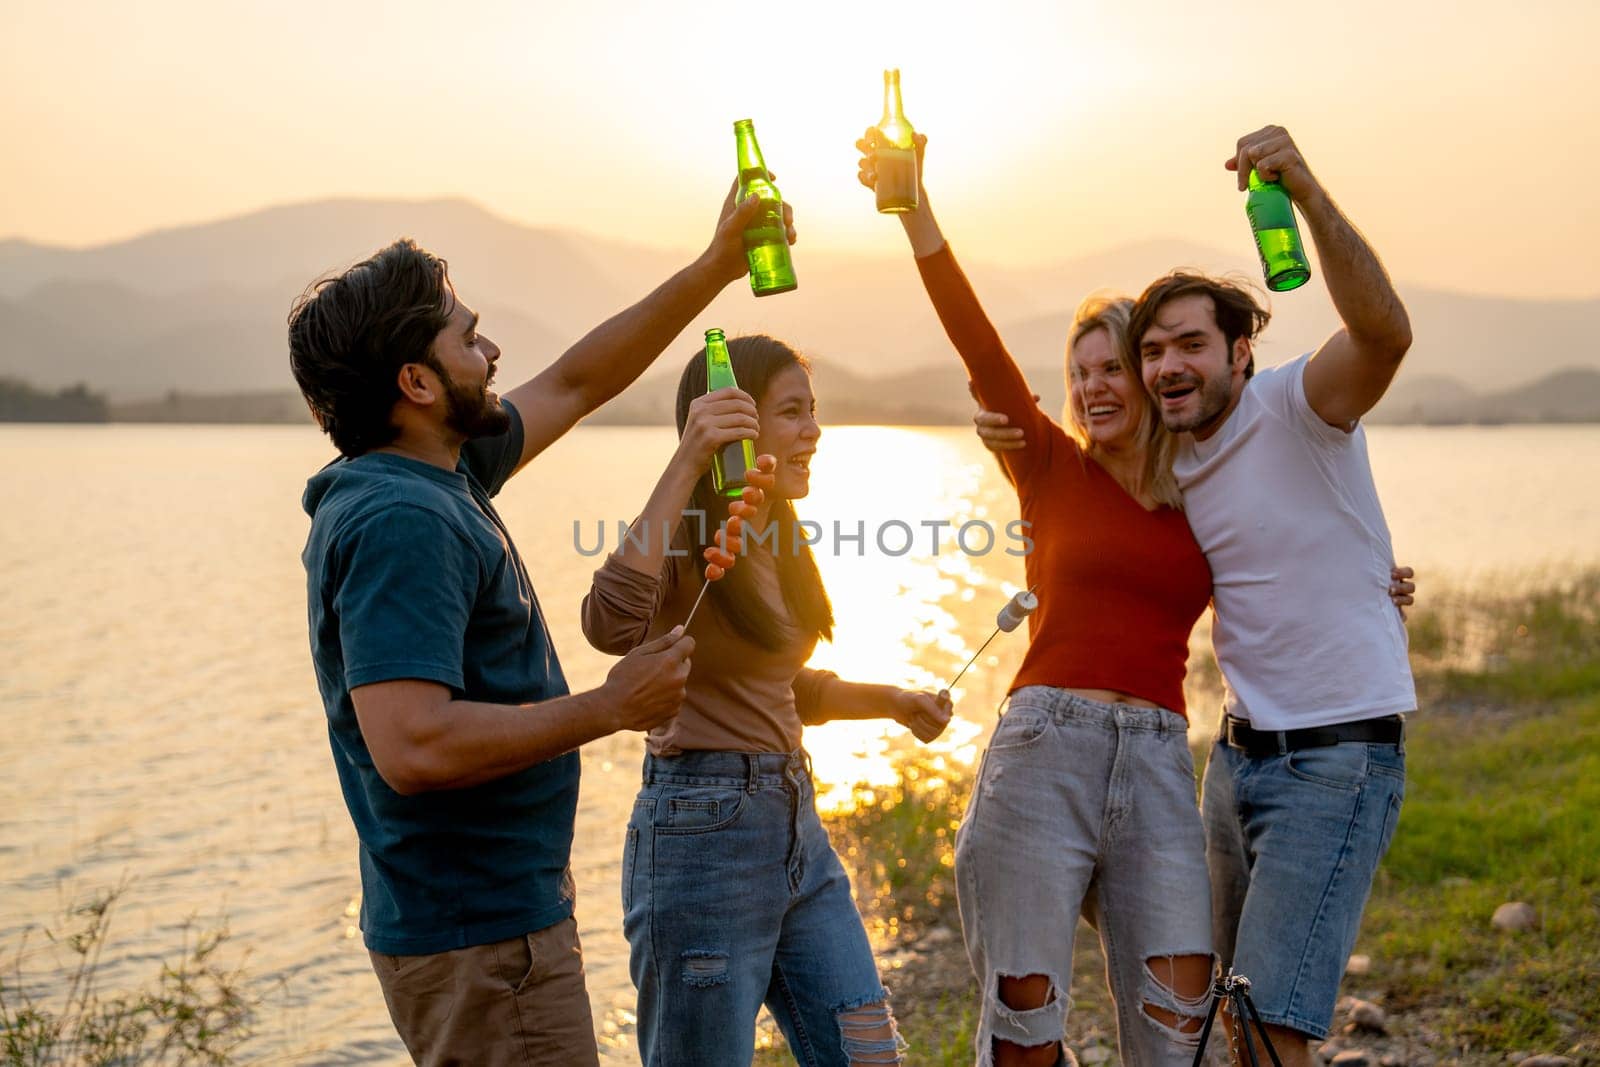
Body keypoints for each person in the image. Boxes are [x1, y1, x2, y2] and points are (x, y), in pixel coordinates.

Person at [289, 182, 789, 1066]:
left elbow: (579, 379)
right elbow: (413, 746)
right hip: (480, 942)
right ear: (417, 382)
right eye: (467, 336)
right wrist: (609, 705)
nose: (491, 349)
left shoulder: (442, 468)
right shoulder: (400, 518)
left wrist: (717, 266)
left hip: (492, 925)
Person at [965, 126, 1416, 1067]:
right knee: (1208, 1025)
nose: (1169, 365)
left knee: (1266, 1031)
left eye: (1191, 346)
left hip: (1336, 756)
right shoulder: (1178, 467)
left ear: (1241, 349)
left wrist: (1302, 193)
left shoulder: (1302, 404)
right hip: (1232, 764)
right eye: (1153, 350)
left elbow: (1384, 335)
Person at [857, 126, 1218, 1067]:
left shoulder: (1210, 490)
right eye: (1080, 372)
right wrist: (916, 211)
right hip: (1042, 753)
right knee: (1026, 1031)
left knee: (1179, 1026)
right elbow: (973, 338)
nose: (1095, 387)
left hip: (1155, 765)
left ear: (1148, 372)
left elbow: (1293, 548)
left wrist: (1377, 583)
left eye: (1112, 368)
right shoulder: (1050, 467)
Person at [580, 334, 952, 1067]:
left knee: (866, 1050)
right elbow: (608, 623)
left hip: (794, 822)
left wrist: (894, 699)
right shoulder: (684, 534)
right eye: (792, 413)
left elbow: (780, 687)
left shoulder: (776, 527)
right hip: (700, 835)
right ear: (731, 425)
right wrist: (690, 459)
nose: (813, 431)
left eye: (814, 411)